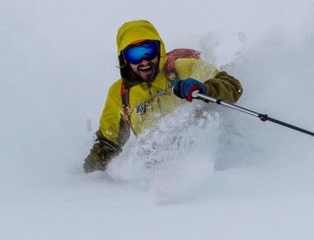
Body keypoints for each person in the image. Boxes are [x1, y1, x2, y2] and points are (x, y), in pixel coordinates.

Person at [83, 19, 244, 173]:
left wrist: (204, 88)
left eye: (149, 51)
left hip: (209, 158)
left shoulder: (183, 68)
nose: (144, 60)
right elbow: (107, 143)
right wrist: (85, 178)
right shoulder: (119, 93)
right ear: (124, 59)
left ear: (159, 50)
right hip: (155, 169)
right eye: (135, 55)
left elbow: (233, 87)